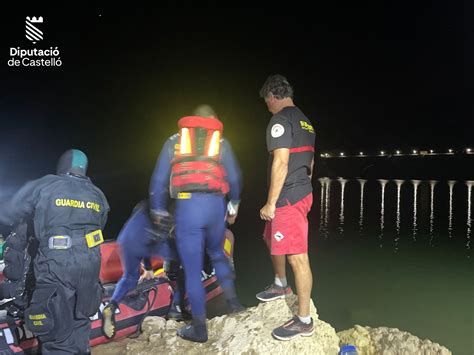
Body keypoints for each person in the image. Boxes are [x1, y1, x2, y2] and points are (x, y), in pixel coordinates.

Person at [0, 149, 110, 354]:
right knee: (80, 325)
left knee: (55, 333)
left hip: (56, 266)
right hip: (89, 268)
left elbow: (8, 210)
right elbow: (100, 225)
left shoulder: (48, 184)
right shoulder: (97, 194)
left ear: (62, 165)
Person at [150, 104, 244, 343]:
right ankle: (234, 304)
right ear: (211, 120)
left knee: (191, 269)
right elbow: (234, 178)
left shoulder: (174, 141)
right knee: (218, 254)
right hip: (215, 207)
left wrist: (159, 210)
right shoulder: (221, 142)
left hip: (187, 207)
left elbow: (159, 180)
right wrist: (232, 207)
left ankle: (199, 329)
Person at [257, 75, 316, 340]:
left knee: (297, 257)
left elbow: (280, 163)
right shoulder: (306, 121)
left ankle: (304, 320)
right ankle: (280, 284)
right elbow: (310, 163)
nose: (266, 105)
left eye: (266, 101)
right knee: (270, 238)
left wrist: (271, 203)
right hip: (300, 191)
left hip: (288, 197)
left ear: (272, 96)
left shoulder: (279, 120)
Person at [101, 200, 182, 340]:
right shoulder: (171, 208)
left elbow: (143, 236)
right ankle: (176, 307)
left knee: (130, 278)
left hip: (126, 240)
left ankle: (112, 305)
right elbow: (155, 239)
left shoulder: (142, 206)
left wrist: (149, 268)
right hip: (146, 241)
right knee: (184, 260)